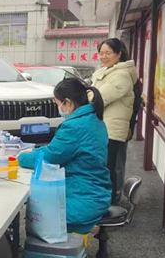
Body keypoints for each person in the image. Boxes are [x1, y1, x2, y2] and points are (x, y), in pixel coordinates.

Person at [18, 78, 112, 234]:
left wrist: (22, 156)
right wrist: (35, 152)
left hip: (83, 198)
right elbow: (57, 149)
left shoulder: (74, 127)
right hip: (96, 193)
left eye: (58, 104)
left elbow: (50, 156)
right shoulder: (94, 119)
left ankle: (44, 249)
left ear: (67, 102)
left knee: (37, 213)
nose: (59, 109)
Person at [91, 37, 137, 204]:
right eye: (101, 53)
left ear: (119, 54)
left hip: (111, 129)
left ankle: (110, 204)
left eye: (108, 53)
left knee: (108, 167)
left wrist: (86, 94)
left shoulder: (121, 75)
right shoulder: (107, 71)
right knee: (105, 165)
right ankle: (106, 201)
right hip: (104, 126)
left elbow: (98, 97)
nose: (103, 56)